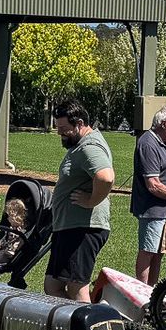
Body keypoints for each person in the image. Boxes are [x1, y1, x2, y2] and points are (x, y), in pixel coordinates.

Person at [44, 102, 115, 302]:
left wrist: (91, 201)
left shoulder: (89, 147)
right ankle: (69, 328)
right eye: (58, 128)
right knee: (53, 284)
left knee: (77, 287)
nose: (60, 133)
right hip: (69, 226)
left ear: (80, 124)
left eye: (64, 129)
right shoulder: (80, 145)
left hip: (83, 228)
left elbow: (106, 177)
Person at [130, 105, 166, 285]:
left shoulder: (162, 143)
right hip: (152, 210)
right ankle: (141, 293)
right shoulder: (148, 144)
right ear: (164, 123)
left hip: (164, 211)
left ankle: (152, 292)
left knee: (157, 254)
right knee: (148, 252)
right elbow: (153, 184)